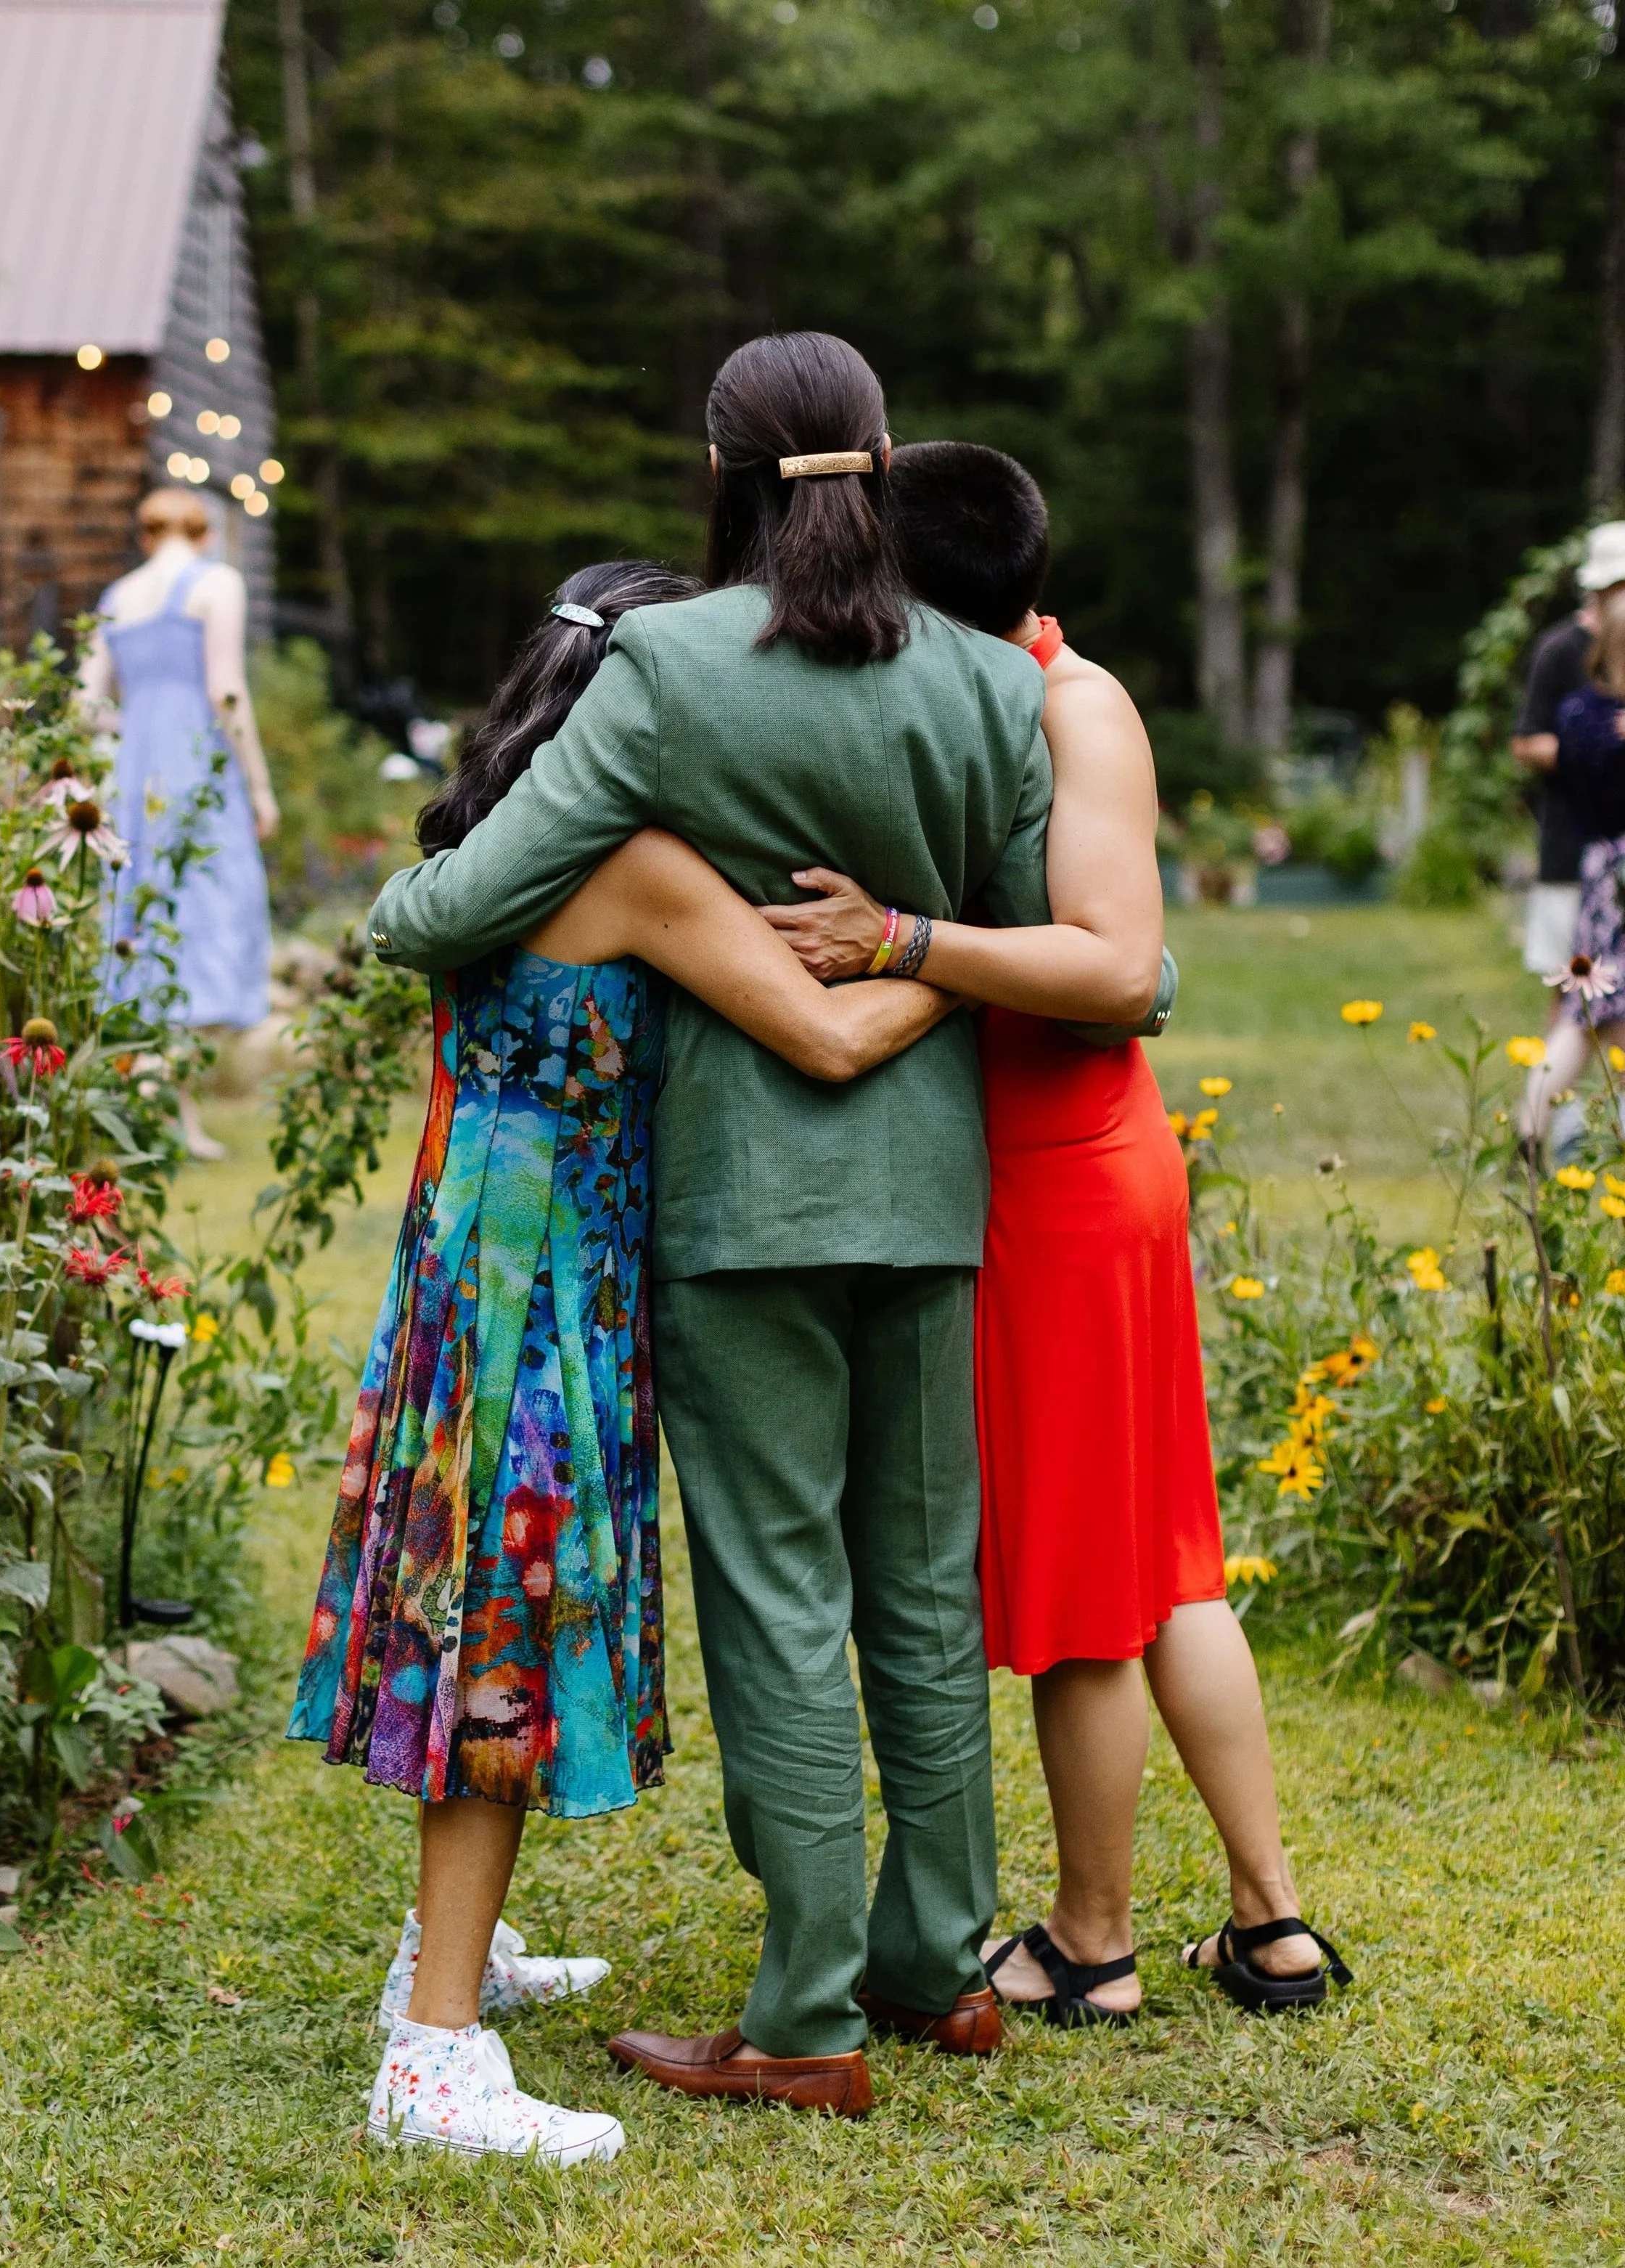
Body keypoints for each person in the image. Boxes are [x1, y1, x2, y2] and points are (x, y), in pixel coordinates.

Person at [363, 333, 1154, 2121]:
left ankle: (803, 2015)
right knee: (926, 1593)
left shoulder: (665, 662)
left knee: (785, 1596)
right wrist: (928, 939)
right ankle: (938, 1969)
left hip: (740, 1207)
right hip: (932, 1197)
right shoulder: (982, 682)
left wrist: (422, 891)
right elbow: (1077, 957)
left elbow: (462, 905)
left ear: (718, 475)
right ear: (885, 463)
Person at [293, 557, 971, 2163]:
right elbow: (822, 1030)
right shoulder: (634, 856)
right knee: (500, 1639)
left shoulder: (495, 831)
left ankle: (441, 1962)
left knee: (471, 1618)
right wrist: (967, 955)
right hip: (544, 1284)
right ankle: (433, 2056)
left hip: (473, 1255)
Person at [763, 441, 1350, 2024]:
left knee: (1099, 1580)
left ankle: (1091, 1943)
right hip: (1063, 1164)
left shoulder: (1062, 703)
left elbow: (1114, 964)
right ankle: (1267, 1919)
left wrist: (902, 939)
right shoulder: (967, 697)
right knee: (1165, 1562)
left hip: (1064, 1171)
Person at [77, 489, 279, 1160]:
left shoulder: (118, 594)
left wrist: (135, 728)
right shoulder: (217, 582)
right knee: (216, 909)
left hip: (137, 782)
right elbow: (226, 689)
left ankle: (171, 1111)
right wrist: (257, 782)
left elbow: (84, 704)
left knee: (145, 919)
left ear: (145, 533)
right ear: (203, 531)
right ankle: (172, 1098)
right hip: (198, 776)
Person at [1511, 519, 1625, 1151]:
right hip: (1605, 865)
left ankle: (1540, 1121)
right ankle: (1612, 1130)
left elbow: (1563, 738)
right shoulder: (1562, 656)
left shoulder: (1582, 714)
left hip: (1599, 861)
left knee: (1594, 1004)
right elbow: (1528, 742)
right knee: (1602, 1000)